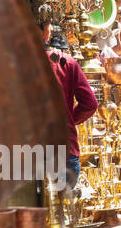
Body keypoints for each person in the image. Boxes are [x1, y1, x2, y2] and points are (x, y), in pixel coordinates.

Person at [34, 12, 97, 189]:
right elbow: (90, 104)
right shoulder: (66, 62)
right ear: (45, 33)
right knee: (62, 213)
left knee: (29, 215)